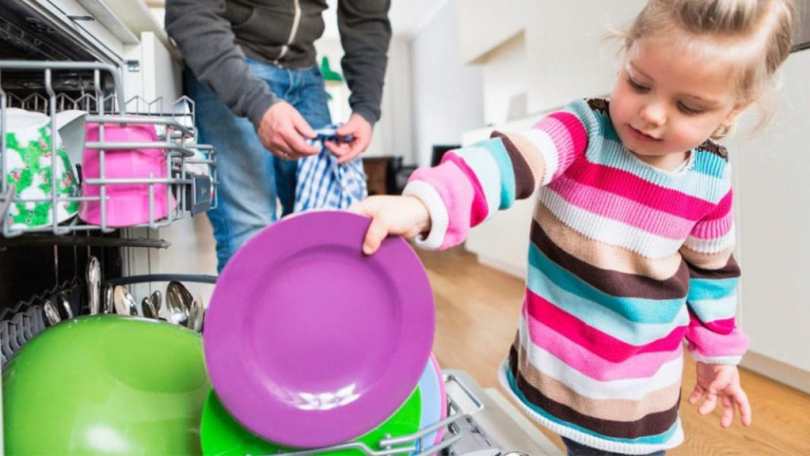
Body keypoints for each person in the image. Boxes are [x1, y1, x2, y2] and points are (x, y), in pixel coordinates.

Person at [351, 1, 796, 454]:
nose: (653, 114)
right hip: (560, 363)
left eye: (688, 106)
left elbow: (714, 273)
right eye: (638, 83)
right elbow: (506, 161)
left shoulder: (711, 180)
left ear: (731, 113)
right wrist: (426, 203)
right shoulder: (582, 131)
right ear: (625, 56)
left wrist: (717, 356)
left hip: (638, 386)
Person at [165, 0, 391, 271]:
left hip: (304, 69)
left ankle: (305, 313)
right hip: (231, 59)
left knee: (319, 227)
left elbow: (366, 18)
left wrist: (366, 109)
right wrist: (256, 102)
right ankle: (251, 314)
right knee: (249, 233)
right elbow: (190, 11)